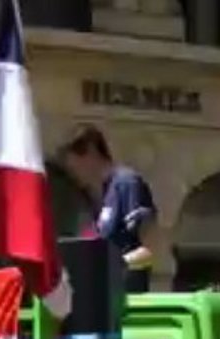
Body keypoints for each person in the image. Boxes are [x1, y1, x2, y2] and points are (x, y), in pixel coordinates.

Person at [62, 124, 158, 293]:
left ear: (91, 152)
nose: (75, 176)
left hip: (128, 300)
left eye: (76, 167)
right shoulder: (102, 195)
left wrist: (115, 265)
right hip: (104, 300)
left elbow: (151, 249)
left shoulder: (127, 184)